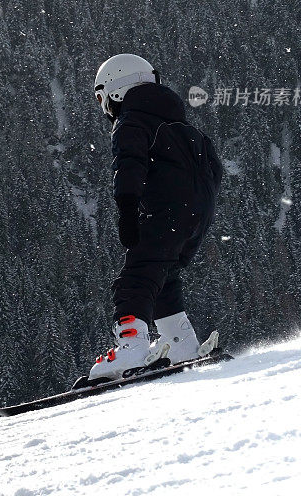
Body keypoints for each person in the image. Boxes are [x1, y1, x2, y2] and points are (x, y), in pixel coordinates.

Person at [89, 53, 223, 382]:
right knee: (162, 275)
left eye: (101, 97)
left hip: (167, 211)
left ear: (116, 89)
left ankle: (131, 346)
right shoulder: (181, 124)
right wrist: (192, 211)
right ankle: (181, 344)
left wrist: (128, 209)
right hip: (197, 215)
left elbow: (129, 164)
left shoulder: (132, 121)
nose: (104, 106)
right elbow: (213, 168)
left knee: (137, 275)